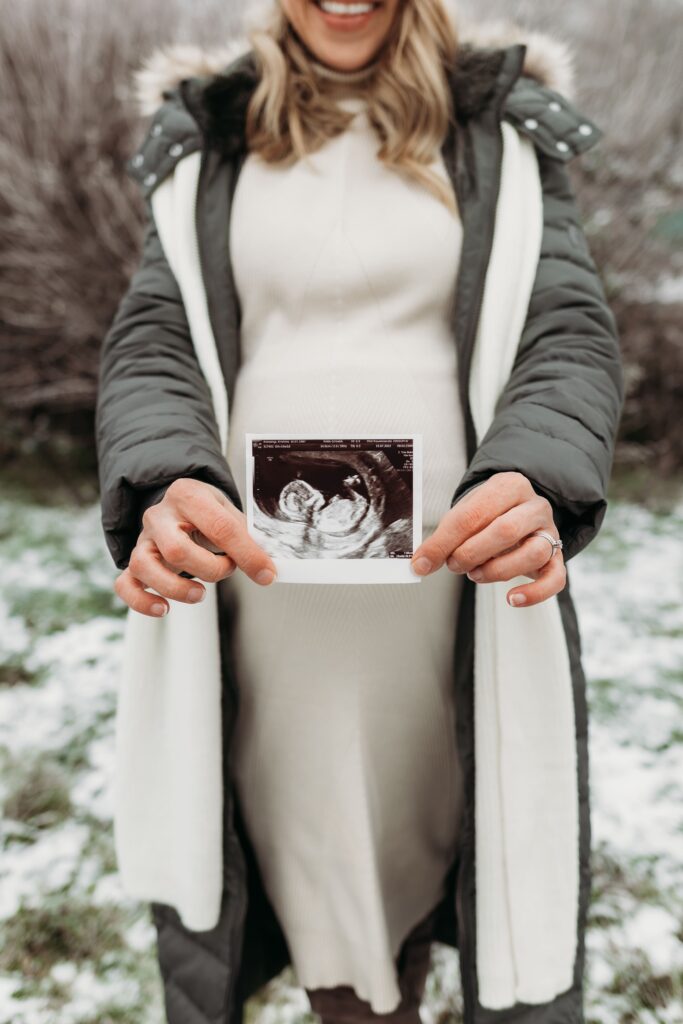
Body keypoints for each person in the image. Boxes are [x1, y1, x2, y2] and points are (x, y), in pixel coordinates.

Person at [95, 2, 625, 1022]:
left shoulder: (497, 128)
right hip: (261, 592)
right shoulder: (209, 135)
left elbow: (565, 332)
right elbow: (153, 339)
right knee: (307, 854)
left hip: (445, 591)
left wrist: (536, 479)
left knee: (422, 848)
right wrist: (163, 482)